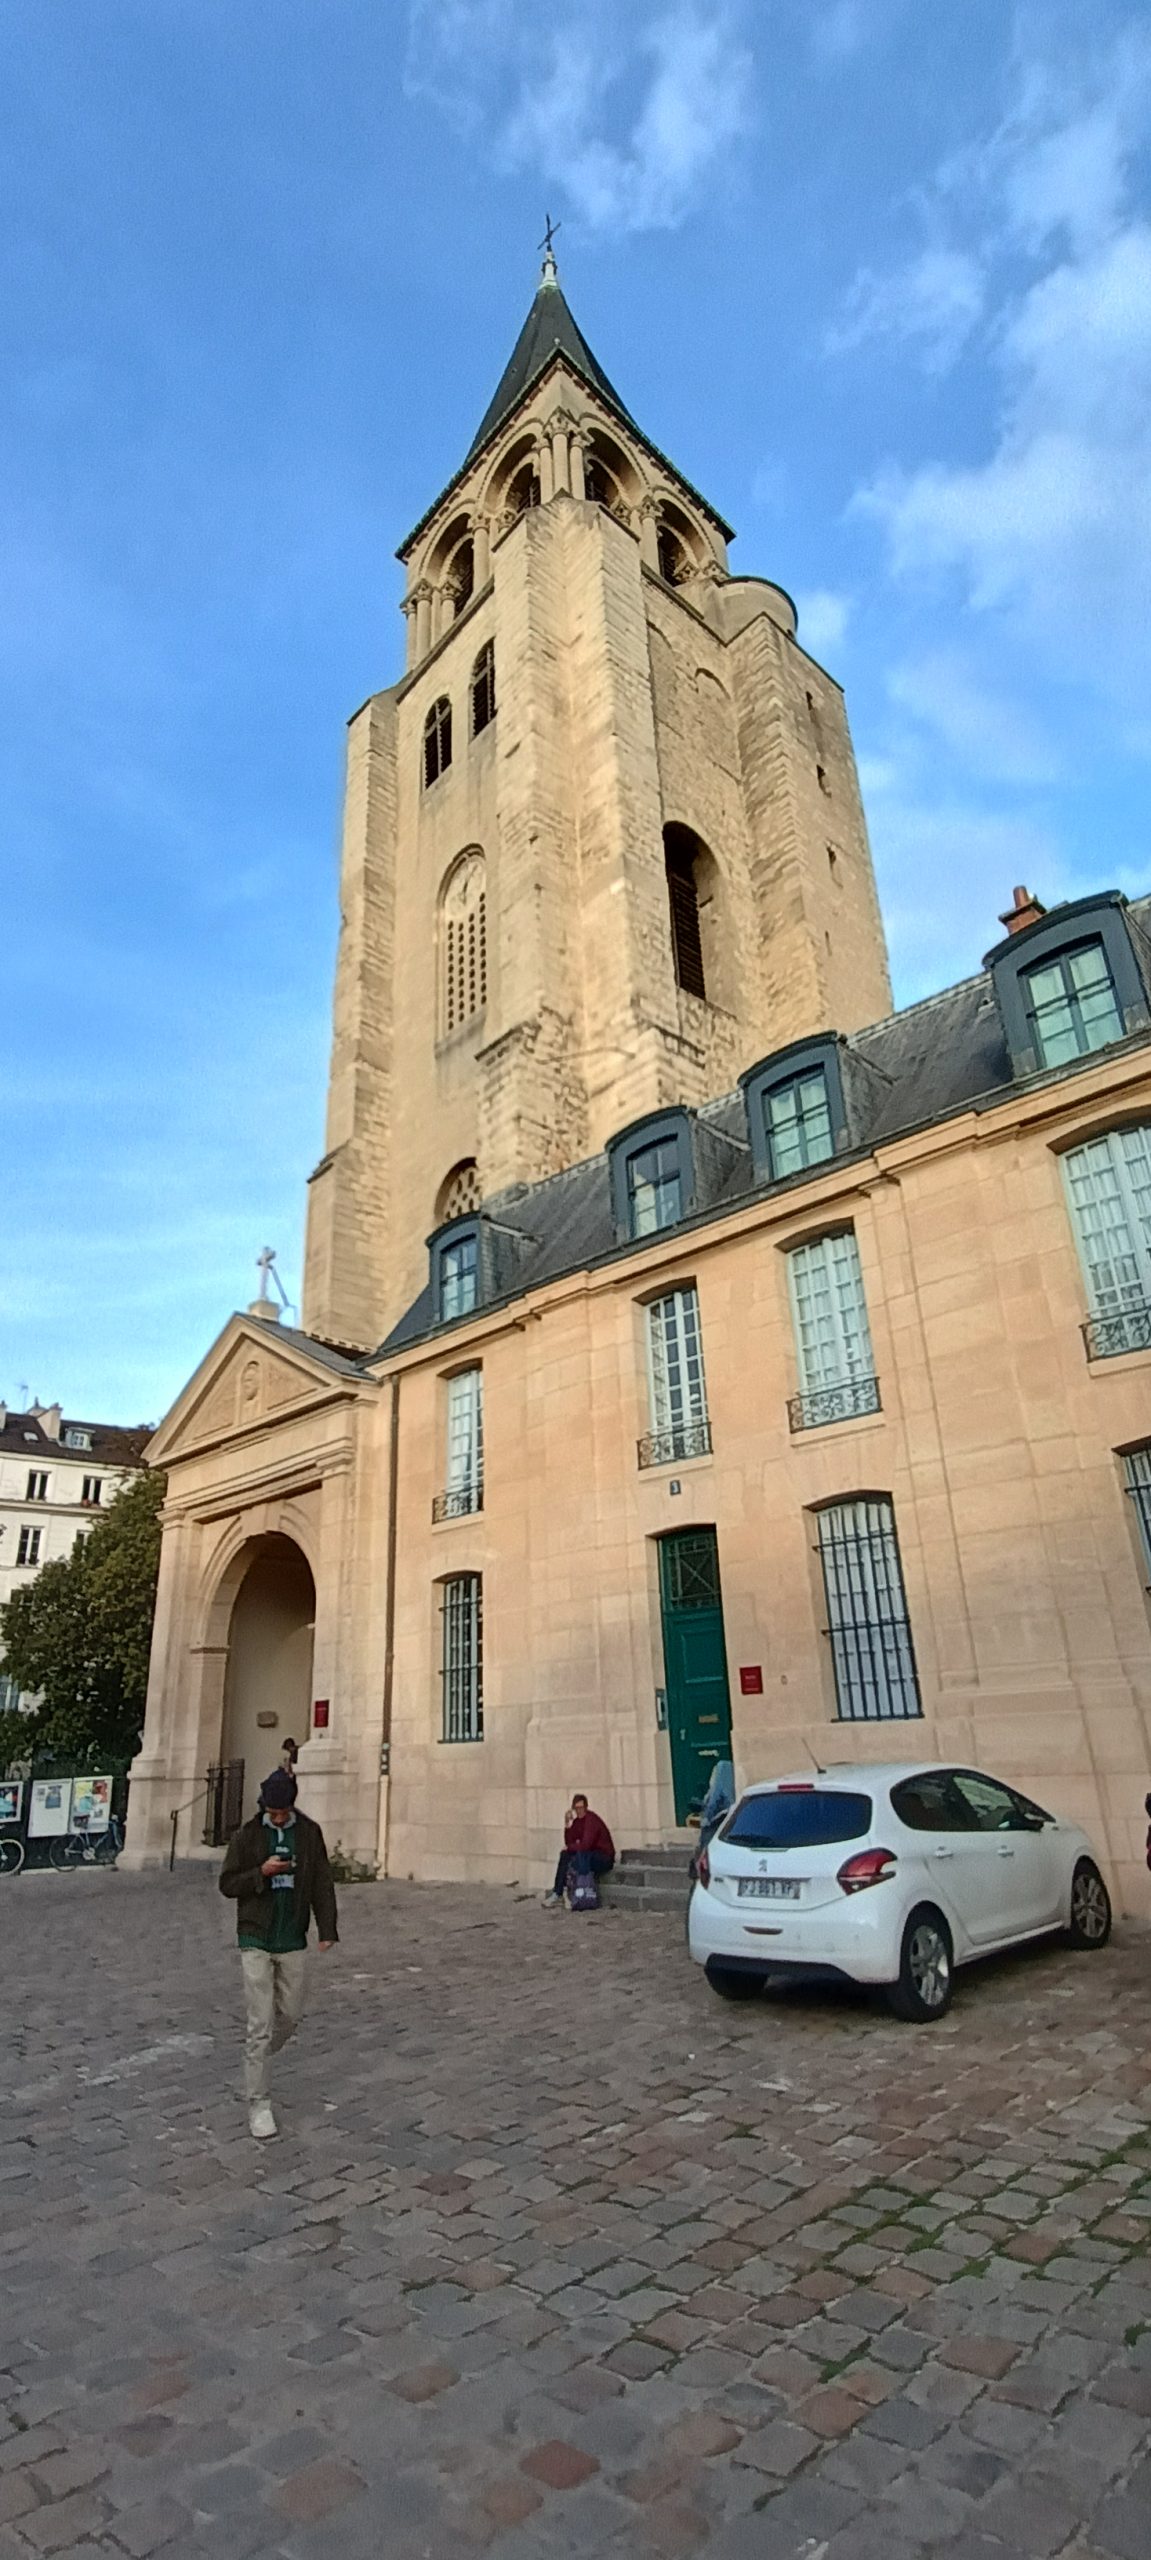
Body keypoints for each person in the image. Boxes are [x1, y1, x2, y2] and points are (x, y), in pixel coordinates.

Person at [219, 1768, 338, 2140]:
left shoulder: (309, 1834)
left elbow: (321, 1881)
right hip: (255, 1936)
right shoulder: (247, 1836)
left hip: (292, 1936)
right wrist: (261, 1873)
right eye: (273, 1812)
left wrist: (327, 1929)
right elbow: (228, 1883)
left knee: (290, 2014)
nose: (279, 1817)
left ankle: (255, 2060)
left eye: (284, 1812)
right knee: (260, 2023)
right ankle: (259, 2103)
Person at [543, 1794, 614, 1906]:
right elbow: (569, 1842)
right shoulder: (577, 1822)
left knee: (576, 1859)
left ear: (586, 1807)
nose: (579, 1811)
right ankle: (557, 1893)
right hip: (588, 1854)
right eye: (576, 1808)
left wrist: (571, 1847)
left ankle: (571, 1893)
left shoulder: (591, 1820)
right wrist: (567, 1825)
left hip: (603, 1857)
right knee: (565, 1855)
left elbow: (586, 1845)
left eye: (581, 1808)